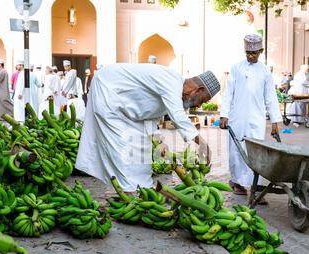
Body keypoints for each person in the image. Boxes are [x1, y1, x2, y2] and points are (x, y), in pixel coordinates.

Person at [75, 64, 220, 192]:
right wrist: (203, 145)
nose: (199, 105)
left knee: (141, 152)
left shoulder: (175, 91)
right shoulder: (172, 82)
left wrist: (158, 140)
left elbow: (149, 113)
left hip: (128, 109)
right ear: (198, 90)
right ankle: (127, 192)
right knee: (123, 149)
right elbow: (178, 116)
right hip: (108, 90)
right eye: (204, 100)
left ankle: (141, 188)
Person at [219, 34, 282, 200]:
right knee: (236, 150)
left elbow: (271, 97)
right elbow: (228, 93)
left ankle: (256, 186)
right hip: (237, 116)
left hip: (256, 117)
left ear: (261, 51)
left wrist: (275, 121)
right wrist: (224, 114)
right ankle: (238, 182)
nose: (250, 56)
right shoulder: (236, 68)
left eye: (254, 53)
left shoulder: (265, 71)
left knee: (255, 151)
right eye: (248, 53)